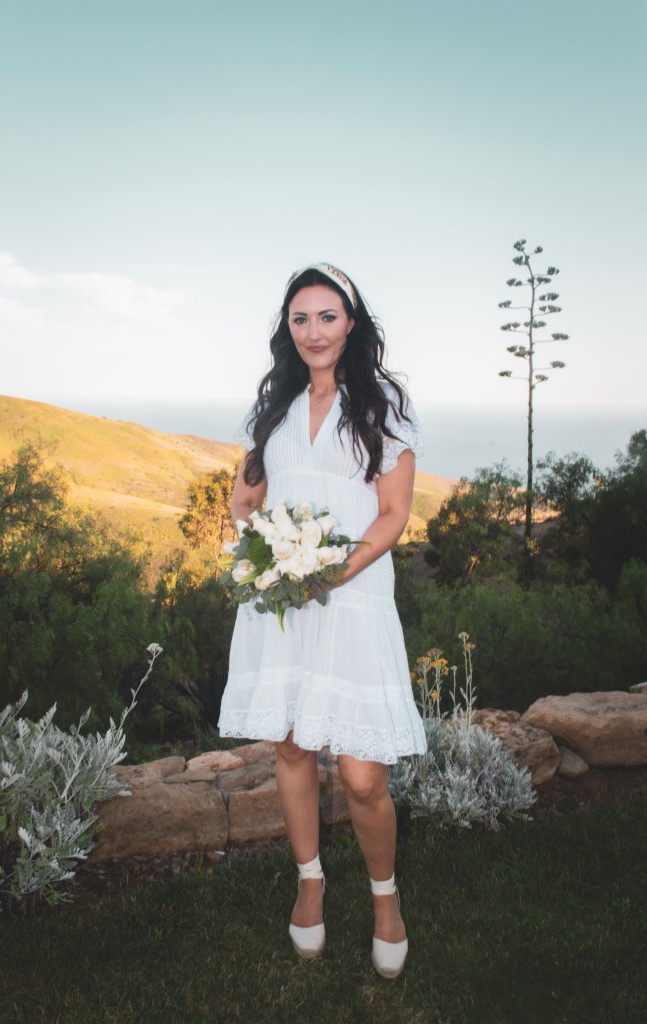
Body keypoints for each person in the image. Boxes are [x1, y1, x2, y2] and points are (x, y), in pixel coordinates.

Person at [218, 262, 427, 979]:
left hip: (350, 601)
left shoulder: (384, 405)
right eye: (300, 318)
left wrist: (328, 572)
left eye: (327, 316)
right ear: (287, 328)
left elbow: (395, 514)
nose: (313, 331)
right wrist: (261, 547)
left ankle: (384, 897)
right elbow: (244, 502)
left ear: (352, 322)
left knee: (364, 777)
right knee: (290, 749)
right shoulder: (271, 406)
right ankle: (310, 880)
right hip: (281, 604)